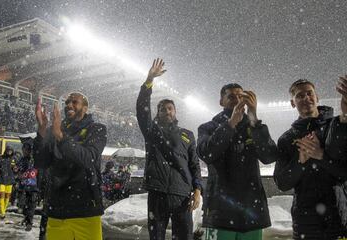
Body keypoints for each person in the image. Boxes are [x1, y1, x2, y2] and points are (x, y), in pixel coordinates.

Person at [197, 83, 278, 240]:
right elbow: (206, 153)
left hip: (251, 211)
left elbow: (269, 156)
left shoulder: (253, 127)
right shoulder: (208, 127)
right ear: (221, 101)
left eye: (241, 96)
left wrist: (254, 118)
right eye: (231, 96)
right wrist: (230, 124)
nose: (237, 100)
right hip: (220, 210)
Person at [136, 58, 202, 240]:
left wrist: (197, 190)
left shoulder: (187, 135)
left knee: (184, 237)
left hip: (182, 195)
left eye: (170, 108)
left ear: (175, 111)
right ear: (157, 113)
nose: (167, 111)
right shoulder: (152, 132)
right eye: (162, 109)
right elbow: (142, 111)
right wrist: (149, 81)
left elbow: (194, 164)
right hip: (157, 194)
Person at [273, 78, 347, 240]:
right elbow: (282, 183)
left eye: (309, 93)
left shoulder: (337, 127)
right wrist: (300, 161)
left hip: (338, 219)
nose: (306, 98)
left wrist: (321, 156)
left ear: (317, 97)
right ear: (293, 103)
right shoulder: (287, 139)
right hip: (305, 223)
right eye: (300, 96)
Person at [33, 92, 107, 240]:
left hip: (86, 209)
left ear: (85, 108)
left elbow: (88, 159)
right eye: (67, 102)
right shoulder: (54, 129)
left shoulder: (97, 129)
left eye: (74, 102)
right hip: (57, 210)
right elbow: (41, 162)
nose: (69, 105)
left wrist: (61, 136)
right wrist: (41, 131)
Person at [17, 142, 38, 231]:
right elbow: (17, 170)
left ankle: (29, 222)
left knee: (31, 205)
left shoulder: (35, 160)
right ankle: (26, 217)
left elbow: (41, 171)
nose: (25, 151)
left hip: (33, 187)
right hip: (23, 186)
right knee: (22, 205)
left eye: (27, 150)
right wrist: (17, 171)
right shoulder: (21, 160)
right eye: (24, 150)